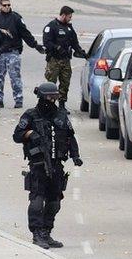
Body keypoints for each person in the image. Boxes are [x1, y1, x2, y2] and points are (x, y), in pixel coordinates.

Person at [13, 82, 84, 249]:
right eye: (50, 97)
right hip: (38, 165)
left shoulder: (60, 115)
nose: (53, 100)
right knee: (37, 201)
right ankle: (37, 233)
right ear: (42, 97)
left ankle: (46, 232)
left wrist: (75, 156)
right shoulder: (30, 115)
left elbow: (70, 136)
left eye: (55, 97)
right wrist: (30, 133)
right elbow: (17, 135)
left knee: (54, 201)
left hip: (57, 165)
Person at [0, 0, 45, 109]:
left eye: (8, 5)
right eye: (5, 5)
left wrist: (35, 45)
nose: (7, 7)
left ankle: (18, 100)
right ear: (0, 6)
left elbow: (25, 33)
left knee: (15, 77)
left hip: (13, 52)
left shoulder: (16, 18)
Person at [42, 6, 88, 112]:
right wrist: (57, 48)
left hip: (66, 60)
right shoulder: (51, 26)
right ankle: (50, 105)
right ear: (63, 15)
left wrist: (81, 52)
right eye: (69, 17)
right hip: (54, 60)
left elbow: (75, 43)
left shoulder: (69, 28)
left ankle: (62, 105)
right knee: (51, 84)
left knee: (65, 83)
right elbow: (47, 42)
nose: (70, 19)